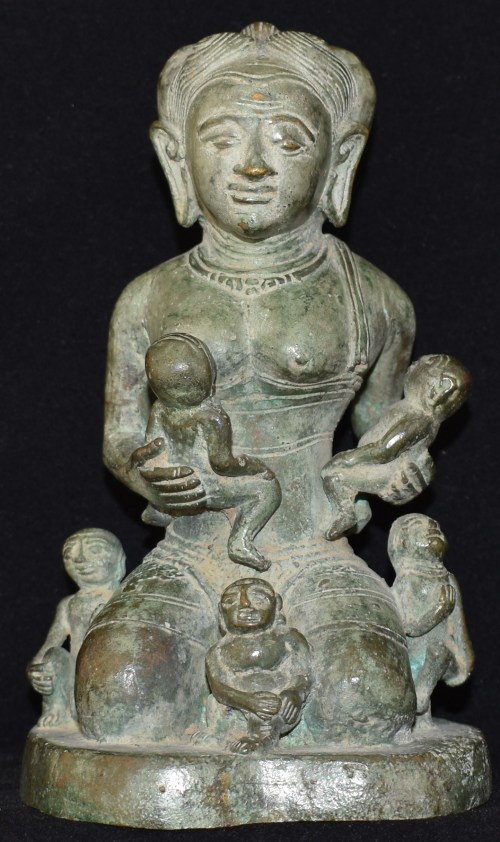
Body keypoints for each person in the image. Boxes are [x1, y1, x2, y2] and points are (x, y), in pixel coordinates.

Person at [78, 23, 421, 743]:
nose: (255, 166)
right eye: (223, 139)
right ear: (176, 158)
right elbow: (120, 434)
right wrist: (145, 472)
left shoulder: (373, 300)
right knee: (117, 699)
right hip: (189, 548)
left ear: (341, 159)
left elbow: (383, 434)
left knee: (367, 705)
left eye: (289, 141)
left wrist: (398, 467)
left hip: (315, 549)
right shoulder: (148, 298)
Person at [140, 332, 281, 571]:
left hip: (177, 482)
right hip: (207, 485)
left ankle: (159, 509)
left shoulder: (159, 409)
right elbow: (222, 464)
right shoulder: (211, 416)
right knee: (267, 491)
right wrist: (255, 466)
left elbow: (154, 446)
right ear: (208, 374)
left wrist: (147, 467)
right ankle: (240, 541)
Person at [321, 355, 471, 540]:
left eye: (422, 365)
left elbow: (385, 450)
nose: (414, 365)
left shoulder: (417, 419)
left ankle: (345, 514)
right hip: (380, 465)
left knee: (334, 475)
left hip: (384, 470)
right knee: (354, 485)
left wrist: (350, 458)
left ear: (439, 389)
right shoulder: (417, 414)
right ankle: (361, 514)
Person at [27, 529, 125, 726]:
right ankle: (58, 709)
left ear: (119, 559)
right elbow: (47, 649)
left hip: (114, 683)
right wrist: (36, 672)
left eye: (95, 550)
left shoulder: (126, 599)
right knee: (54, 656)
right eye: (69, 554)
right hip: (75, 688)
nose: (80, 559)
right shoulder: (68, 605)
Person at [206, 578, 311, 753]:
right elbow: (218, 688)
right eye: (231, 601)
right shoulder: (217, 651)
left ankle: (263, 738)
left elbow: (303, 675)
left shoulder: (289, 639)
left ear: (276, 605)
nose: (245, 605)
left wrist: (295, 693)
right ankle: (221, 733)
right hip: (237, 704)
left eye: (259, 599)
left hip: (277, 707)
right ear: (221, 612)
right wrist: (248, 701)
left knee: (272, 709)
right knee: (214, 705)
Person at [389, 515, 474, 728]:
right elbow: (407, 627)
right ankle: (420, 703)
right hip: (412, 655)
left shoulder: (448, 579)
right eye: (421, 525)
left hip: (439, 656)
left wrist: (466, 658)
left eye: (436, 525)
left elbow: (458, 626)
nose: (433, 527)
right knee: (434, 653)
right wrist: (438, 611)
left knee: (440, 649)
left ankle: (423, 699)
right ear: (403, 541)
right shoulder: (406, 581)